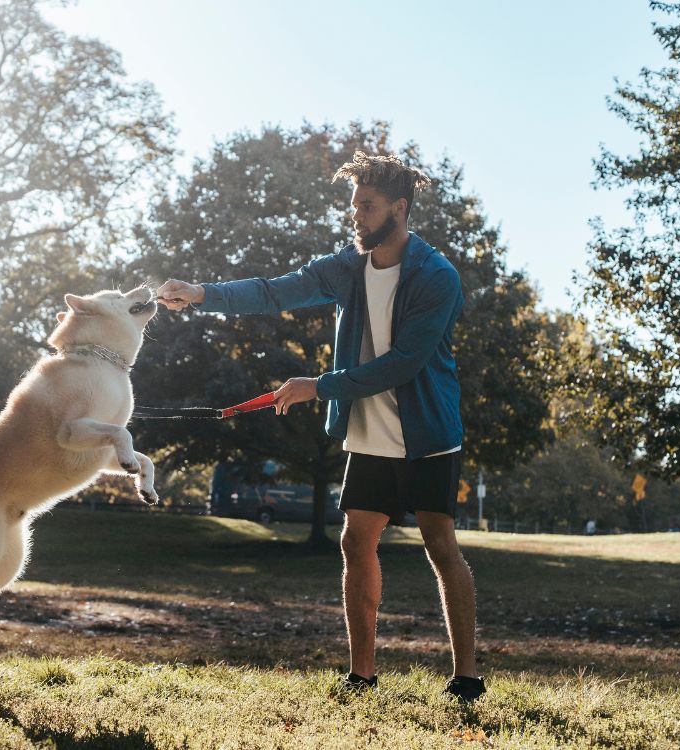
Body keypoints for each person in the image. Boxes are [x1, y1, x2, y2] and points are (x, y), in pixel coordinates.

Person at [156, 151, 485, 703]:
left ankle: (467, 676)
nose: (356, 216)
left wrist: (318, 385)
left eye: (368, 206)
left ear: (399, 209)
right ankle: (361, 675)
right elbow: (273, 290)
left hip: (427, 436)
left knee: (440, 547)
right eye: (354, 206)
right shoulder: (347, 268)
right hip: (370, 438)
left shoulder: (437, 277)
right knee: (356, 544)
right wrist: (202, 294)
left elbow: (403, 362)